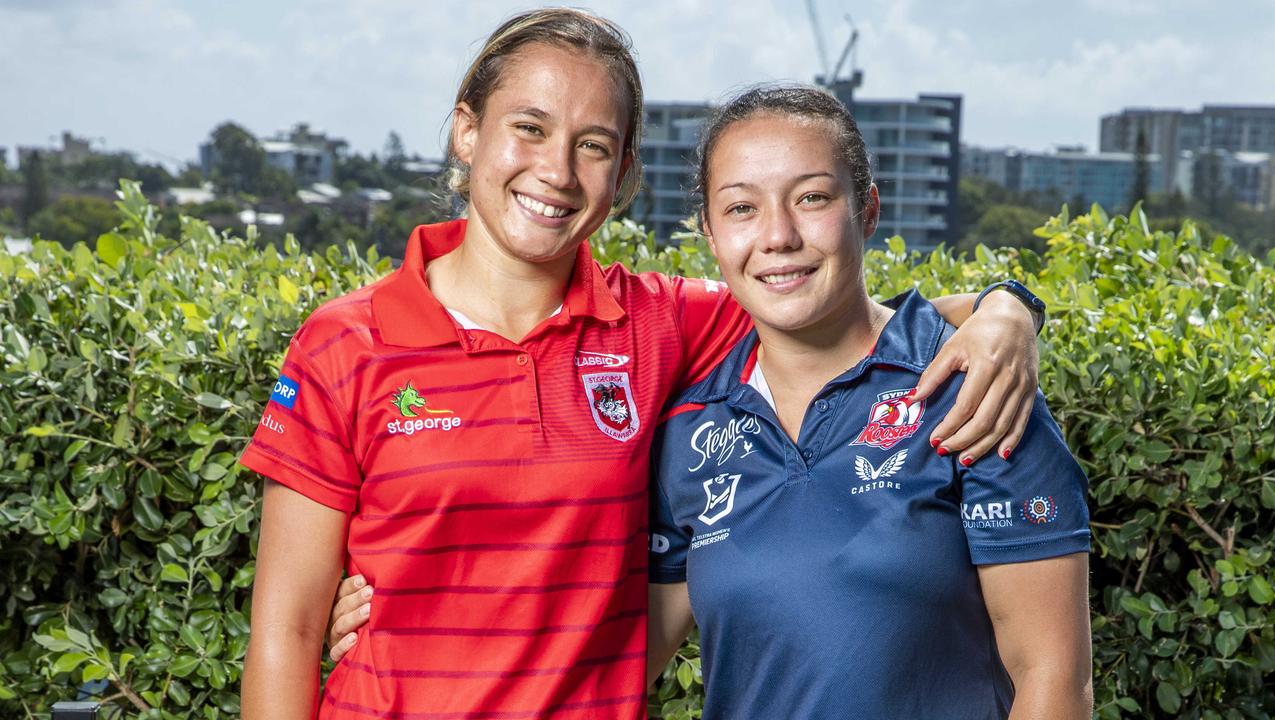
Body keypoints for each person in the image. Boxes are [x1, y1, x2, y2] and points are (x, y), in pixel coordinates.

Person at [243, 10, 1045, 720]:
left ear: (624, 173)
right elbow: (287, 630)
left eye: (592, 146)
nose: (556, 171)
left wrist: (1006, 309)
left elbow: (842, 315)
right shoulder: (345, 343)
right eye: (528, 127)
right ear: (465, 131)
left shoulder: (661, 321)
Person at [641, 85, 1092, 718]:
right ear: (711, 235)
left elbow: (1053, 680)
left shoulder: (971, 386)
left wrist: (1009, 305)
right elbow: (623, 666)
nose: (778, 235)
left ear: (868, 209)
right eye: (742, 208)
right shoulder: (690, 427)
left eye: (812, 198)